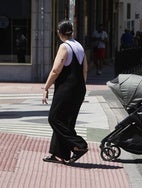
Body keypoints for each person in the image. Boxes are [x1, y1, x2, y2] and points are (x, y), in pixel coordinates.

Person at [42, 20, 88, 164]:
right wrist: (80, 87)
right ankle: (59, 154)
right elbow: (85, 70)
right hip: (79, 88)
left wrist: (46, 87)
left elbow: (56, 70)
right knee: (65, 122)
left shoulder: (64, 46)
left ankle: (80, 145)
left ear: (59, 32)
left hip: (66, 88)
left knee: (54, 118)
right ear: (71, 32)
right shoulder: (79, 46)